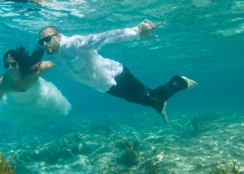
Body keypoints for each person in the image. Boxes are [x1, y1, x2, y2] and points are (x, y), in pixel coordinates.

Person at [37, 20, 197, 124]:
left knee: (150, 97)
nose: (44, 44)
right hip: (104, 85)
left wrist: (137, 32)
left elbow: (104, 37)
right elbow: (48, 64)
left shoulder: (74, 44)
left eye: (47, 39)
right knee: (139, 100)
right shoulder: (54, 56)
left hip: (117, 75)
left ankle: (179, 82)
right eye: (41, 42)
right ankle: (160, 106)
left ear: (59, 36)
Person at [0, 45, 71, 137]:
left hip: (41, 97)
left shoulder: (33, 71)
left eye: (13, 64)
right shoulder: (1, 84)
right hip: (16, 105)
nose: (10, 68)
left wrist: (72, 58)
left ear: (19, 63)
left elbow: (55, 62)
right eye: (6, 65)